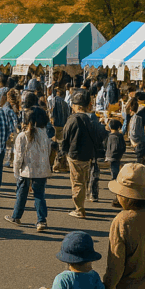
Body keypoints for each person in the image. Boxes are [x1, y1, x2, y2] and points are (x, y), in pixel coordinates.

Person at [6, 107, 51, 231]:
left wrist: (16, 171)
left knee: (21, 194)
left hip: (26, 171)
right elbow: (48, 151)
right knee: (39, 195)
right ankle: (41, 221)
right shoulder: (44, 134)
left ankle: (16, 216)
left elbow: (18, 157)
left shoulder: (22, 136)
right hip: (42, 170)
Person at [62, 91, 98, 219]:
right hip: (87, 154)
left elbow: (65, 137)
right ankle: (81, 205)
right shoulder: (91, 119)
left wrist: (63, 152)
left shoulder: (73, 119)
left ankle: (79, 209)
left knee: (77, 182)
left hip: (75, 154)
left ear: (75, 106)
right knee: (83, 181)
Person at [105, 118, 125, 182]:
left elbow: (108, 145)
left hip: (112, 155)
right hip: (118, 155)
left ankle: (115, 179)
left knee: (114, 168)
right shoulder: (120, 135)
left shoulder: (111, 136)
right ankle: (116, 177)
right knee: (115, 166)